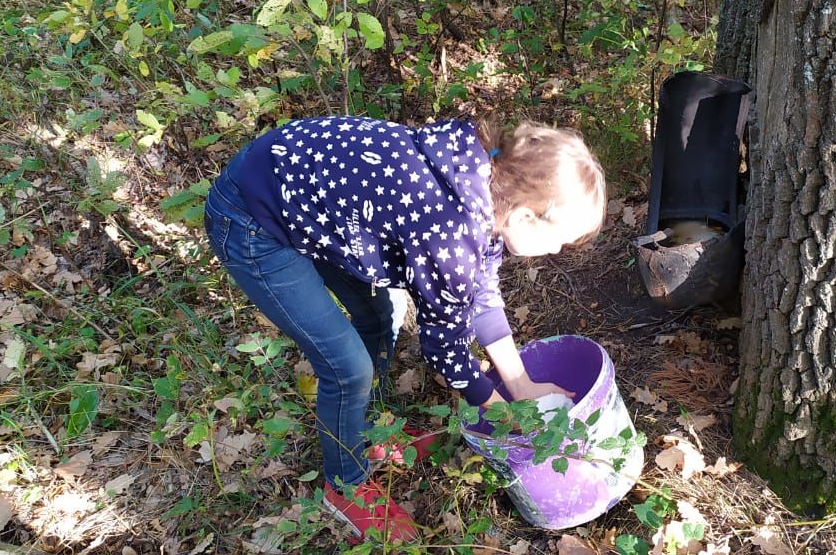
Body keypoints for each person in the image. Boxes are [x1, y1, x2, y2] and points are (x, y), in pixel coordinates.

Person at [202, 115, 606, 543]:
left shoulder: (485, 185)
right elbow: (445, 350)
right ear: (527, 217)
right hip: (252, 217)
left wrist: (521, 385)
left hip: (305, 198)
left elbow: (482, 294)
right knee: (348, 368)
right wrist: (501, 413)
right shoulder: (450, 229)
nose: (558, 251)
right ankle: (346, 486)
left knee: (379, 316)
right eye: (560, 240)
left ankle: (370, 428)